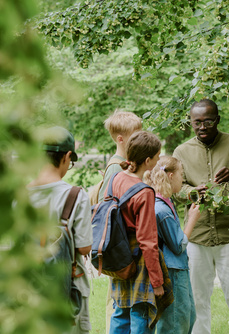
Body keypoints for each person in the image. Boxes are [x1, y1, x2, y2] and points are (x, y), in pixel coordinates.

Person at [173, 99, 229, 334]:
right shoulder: (181, 151)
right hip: (196, 237)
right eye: (197, 122)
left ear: (217, 119)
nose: (202, 127)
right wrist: (190, 193)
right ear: (190, 122)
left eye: (208, 121)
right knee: (197, 301)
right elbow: (175, 188)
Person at [28, 126, 93, 333]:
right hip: (68, 288)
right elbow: (84, 248)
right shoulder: (75, 195)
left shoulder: (19, 195)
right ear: (66, 157)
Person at [109, 131, 172, 334]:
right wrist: (157, 281)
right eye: (157, 156)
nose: (158, 160)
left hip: (119, 256)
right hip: (139, 262)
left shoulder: (117, 178)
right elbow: (148, 241)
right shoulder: (144, 192)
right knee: (141, 313)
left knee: (120, 311)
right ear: (148, 160)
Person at [92, 110, 142, 333]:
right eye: (135, 134)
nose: (140, 137)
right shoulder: (116, 167)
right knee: (119, 307)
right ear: (120, 139)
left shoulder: (126, 163)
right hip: (119, 246)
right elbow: (108, 211)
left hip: (126, 245)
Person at [143, 156, 201, 334]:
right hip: (172, 271)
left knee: (188, 316)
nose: (182, 179)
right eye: (181, 174)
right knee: (176, 322)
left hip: (178, 269)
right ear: (170, 175)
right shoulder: (162, 209)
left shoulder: (166, 202)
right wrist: (192, 220)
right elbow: (178, 245)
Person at [95, 110, 143, 204]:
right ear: (120, 139)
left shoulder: (130, 162)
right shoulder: (115, 167)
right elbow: (104, 203)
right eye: (135, 136)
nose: (140, 139)